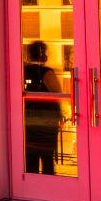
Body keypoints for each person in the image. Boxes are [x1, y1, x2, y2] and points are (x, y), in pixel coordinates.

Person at [23, 39, 64, 175]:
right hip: (46, 119)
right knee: (47, 157)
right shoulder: (46, 72)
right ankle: (48, 185)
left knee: (30, 156)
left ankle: (32, 184)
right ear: (42, 54)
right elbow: (57, 93)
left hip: (28, 118)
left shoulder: (23, 70)